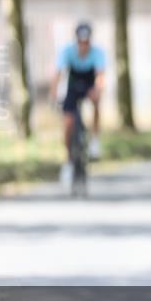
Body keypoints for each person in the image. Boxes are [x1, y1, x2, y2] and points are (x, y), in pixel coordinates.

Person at [50, 22, 106, 186]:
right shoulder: (67, 52)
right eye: (81, 42)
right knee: (68, 122)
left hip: (89, 84)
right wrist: (54, 92)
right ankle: (68, 161)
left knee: (97, 100)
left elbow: (101, 76)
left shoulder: (97, 53)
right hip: (73, 86)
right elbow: (58, 74)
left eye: (86, 41)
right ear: (76, 41)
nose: (83, 45)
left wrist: (97, 89)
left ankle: (95, 139)